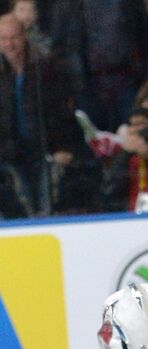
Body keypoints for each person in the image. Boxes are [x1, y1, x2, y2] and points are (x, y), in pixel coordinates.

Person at [0, 12, 78, 218]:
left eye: (14, 37)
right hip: (11, 155)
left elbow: (62, 112)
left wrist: (62, 147)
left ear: (24, 36)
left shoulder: (44, 69)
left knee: (46, 209)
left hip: (45, 151)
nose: (10, 44)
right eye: (4, 39)